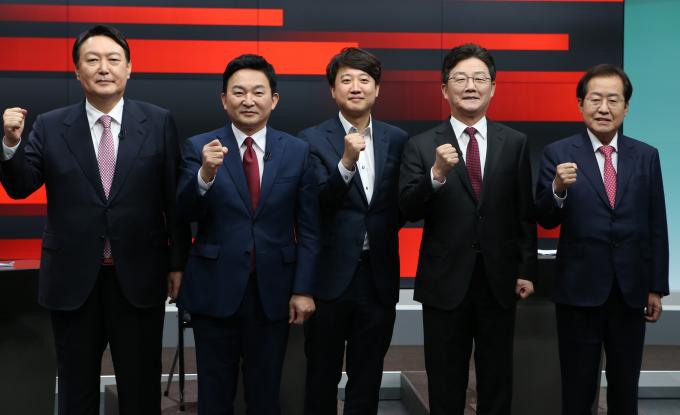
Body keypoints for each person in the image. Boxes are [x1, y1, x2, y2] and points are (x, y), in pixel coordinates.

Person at [0, 25, 190, 414]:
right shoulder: (51, 125)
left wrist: (177, 263)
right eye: (92, 60)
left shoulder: (158, 121)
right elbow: (21, 187)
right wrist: (10, 143)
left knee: (140, 391)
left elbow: (174, 200)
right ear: (77, 70)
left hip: (138, 278)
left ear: (129, 68)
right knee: (76, 391)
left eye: (113, 59)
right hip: (72, 282)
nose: (103, 68)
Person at [176, 54, 320, 414]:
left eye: (258, 92)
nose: (248, 100)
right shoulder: (200, 147)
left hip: (273, 292)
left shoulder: (297, 151)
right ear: (224, 99)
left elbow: (309, 227)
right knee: (214, 393)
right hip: (215, 289)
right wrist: (205, 175)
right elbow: (183, 212)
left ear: (274, 99)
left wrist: (303, 288)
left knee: (265, 392)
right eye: (238, 92)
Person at [399, 43, 536, 414]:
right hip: (444, 282)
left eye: (479, 78)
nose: (470, 86)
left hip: (498, 280)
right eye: (460, 79)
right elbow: (408, 208)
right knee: (445, 381)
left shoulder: (515, 143)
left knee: (497, 379)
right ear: (444, 89)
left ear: (493, 87)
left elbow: (523, 213)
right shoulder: (421, 145)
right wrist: (436, 174)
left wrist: (526, 268)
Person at [535, 64, 668, 414]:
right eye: (595, 99)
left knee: (626, 388)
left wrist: (656, 287)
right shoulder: (557, 153)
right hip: (578, 292)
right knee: (577, 389)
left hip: (630, 292)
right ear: (581, 104)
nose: (604, 108)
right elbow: (545, 218)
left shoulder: (646, 155)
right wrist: (558, 188)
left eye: (613, 100)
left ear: (626, 107)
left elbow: (656, 224)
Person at [298, 47, 409, 414]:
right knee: (321, 375)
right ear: (333, 90)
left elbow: (400, 207)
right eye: (346, 80)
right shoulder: (311, 139)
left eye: (364, 80)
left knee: (367, 376)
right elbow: (318, 204)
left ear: (377, 89)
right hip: (329, 279)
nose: (356, 87)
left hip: (378, 278)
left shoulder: (397, 139)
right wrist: (346, 163)